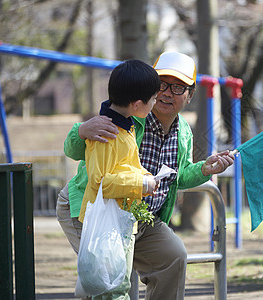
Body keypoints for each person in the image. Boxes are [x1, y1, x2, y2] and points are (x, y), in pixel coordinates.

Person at [56, 51, 235, 300]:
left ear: (190, 95)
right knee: (113, 278)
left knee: (173, 255)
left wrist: (205, 169)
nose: (166, 93)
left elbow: (178, 177)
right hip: (95, 210)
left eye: (177, 87)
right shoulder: (126, 116)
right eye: (161, 84)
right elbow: (77, 152)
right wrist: (84, 130)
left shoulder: (183, 130)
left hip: (139, 216)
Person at [78, 58, 160, 299]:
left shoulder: (125, 127)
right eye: (153, 99)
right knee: (111, 288)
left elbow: (125, 167)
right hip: (106, 224)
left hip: (119, 220)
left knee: (117, 284)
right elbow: (101, 181)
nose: (155, 102)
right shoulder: (107, 133)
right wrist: (140, 183)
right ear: (136, 105)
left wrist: (145, 177)